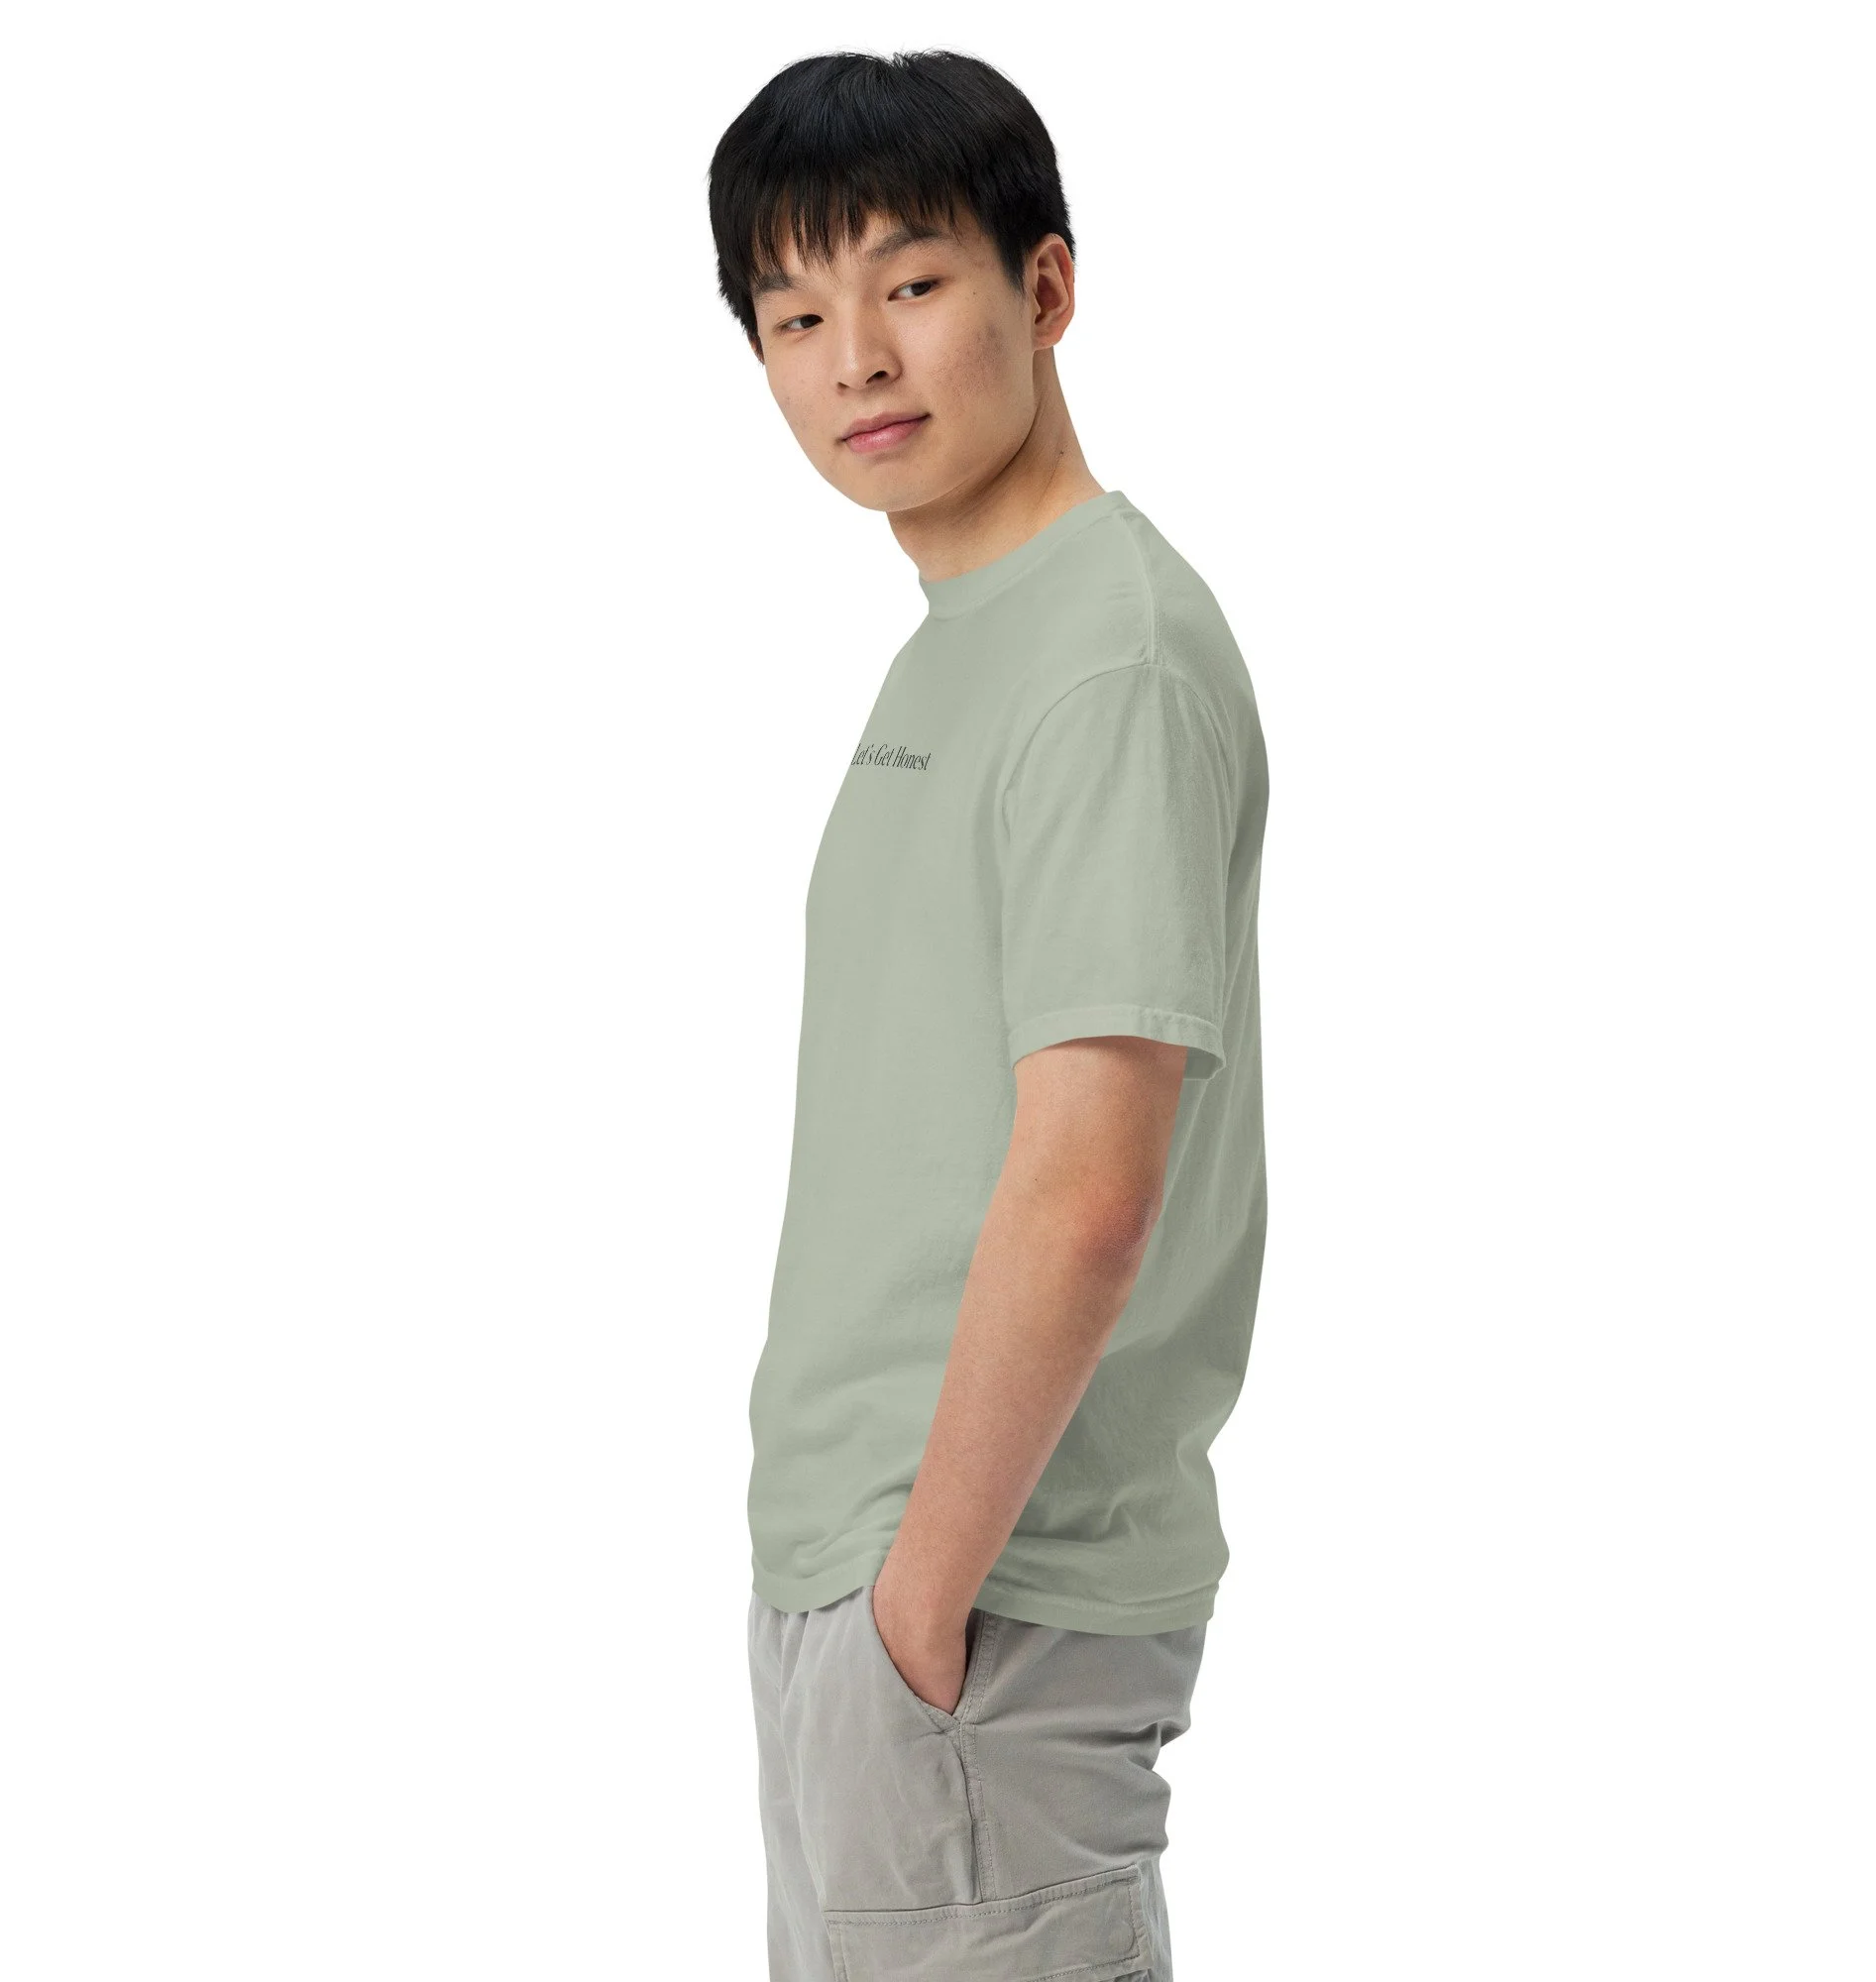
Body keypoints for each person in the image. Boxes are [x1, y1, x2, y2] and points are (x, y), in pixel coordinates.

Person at [710, 48, 1269, 1981]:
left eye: (911, 281)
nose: (855, 355)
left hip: (981, 1607)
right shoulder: (968, 642)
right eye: (795, 313)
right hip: (878, 1595)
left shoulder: (1108, 657)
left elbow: (1090, 1188)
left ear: (1045, 286)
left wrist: (920, 1602)